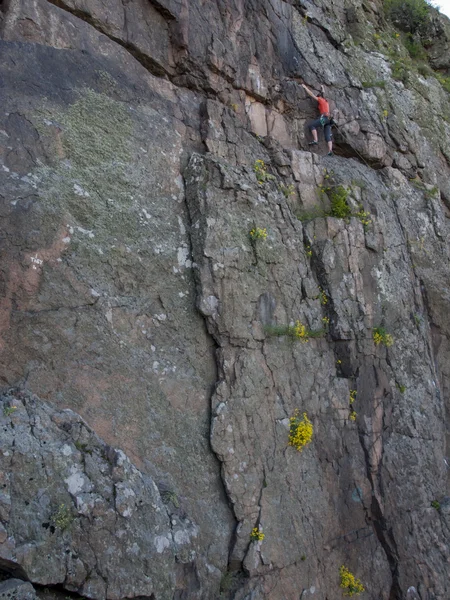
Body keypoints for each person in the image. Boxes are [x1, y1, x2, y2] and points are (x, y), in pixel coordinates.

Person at [301, 83, 333, 156]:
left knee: (312, 126)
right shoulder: (326, 101)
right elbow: (323, 94)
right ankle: (330, 150)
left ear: (319, 97)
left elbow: (312, 95)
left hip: (324, 118)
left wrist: (305, 87)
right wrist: (322, 88)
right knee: (327, 136)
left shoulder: (320, 100)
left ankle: (315, 140)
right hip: (329, 120)